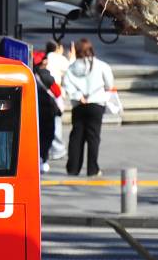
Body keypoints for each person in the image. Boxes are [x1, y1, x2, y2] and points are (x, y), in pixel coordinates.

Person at [61, 38, 114, 176]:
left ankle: (73, 168)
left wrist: (79, 96)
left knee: (76, 136)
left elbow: (67, 84)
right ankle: (92, 169)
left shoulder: (72, 67)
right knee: (93, 137)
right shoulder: (102, 65)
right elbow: (109, 83)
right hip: (96, 103)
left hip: (79, 105)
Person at [33, 49, 61, 174]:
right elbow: (57, 92)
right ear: (43, 61)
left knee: (37, 136)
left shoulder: (31, 75)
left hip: (35, 110)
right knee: (47, 136)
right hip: (47, 110)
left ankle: (37, 159)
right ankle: (43, 160)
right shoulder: (47, 76)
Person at [45, 40, 72, 161]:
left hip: (45, 93)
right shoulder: (58, 58)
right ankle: (58, 149)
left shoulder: (46, 57)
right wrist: (72, 57)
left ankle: (51, 148)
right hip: (55, 93)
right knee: (56, 122)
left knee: (47, 122)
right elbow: (71, 68)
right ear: (58, 48)